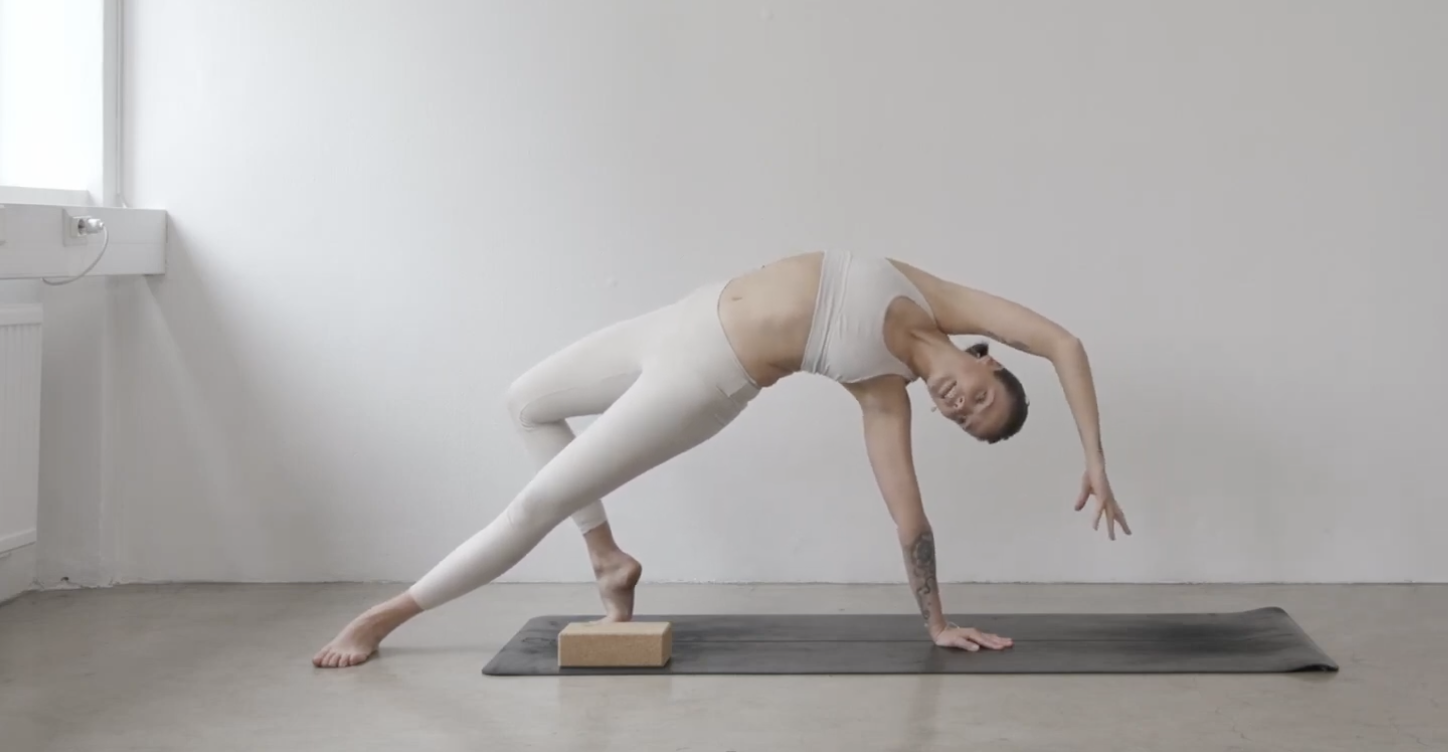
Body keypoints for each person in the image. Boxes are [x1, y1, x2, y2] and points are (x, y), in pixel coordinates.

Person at [313, 251, 1130, 667]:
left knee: (535, 506)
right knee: (526, 403)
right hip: (680, 319)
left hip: (702, 380)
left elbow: (909, 519)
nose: (961, 408)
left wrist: (938, 623)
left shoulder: (883, 394)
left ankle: (386, 616)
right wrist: (1094, 459)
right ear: (986, 359)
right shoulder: (939, 296)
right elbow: (1062, 342)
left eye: (967, 425)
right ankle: (608, 559)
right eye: (981, 400)